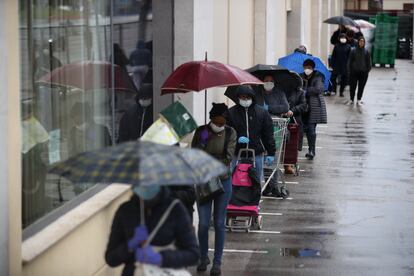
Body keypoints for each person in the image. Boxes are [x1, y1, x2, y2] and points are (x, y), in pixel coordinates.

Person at [105, 186, 200, 276]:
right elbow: (111, 259)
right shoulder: (125, 211)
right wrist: (130, 245)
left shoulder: (175, 209)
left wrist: (160, 258)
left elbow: (193, 254)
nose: (146, 185)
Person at [191, 103, 236, 276]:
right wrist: (203, 142)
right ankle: (203, 257)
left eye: (223, 121)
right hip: (203, 182)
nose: (220, 123)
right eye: (218, 120)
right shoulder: (201, 131)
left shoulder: (230, 133)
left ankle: (217, 262)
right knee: (203, 224)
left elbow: (227, 158)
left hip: (223, 182)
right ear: (212, 118)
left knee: (218, 223)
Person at [227, 86, 276, 182]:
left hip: (256, 152)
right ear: (238, 98)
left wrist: (271, 153)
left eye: (248, 97)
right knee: (236, 180)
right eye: (242, 97)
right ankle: (236, 197)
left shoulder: (262, 113)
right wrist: (236, 139)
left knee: (256, 180)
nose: (245, 100)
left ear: (252, 98)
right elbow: (227, 132)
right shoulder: (231, 113)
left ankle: (256, 197)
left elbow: (268, 134)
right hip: (237, 153)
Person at [300, 59, 327, 160]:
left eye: (309, 68)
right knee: (303, 129)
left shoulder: (318, 76)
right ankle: (304, 149)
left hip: (314, 107)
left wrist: (306, 90)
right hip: (302, 106)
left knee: (311, 129)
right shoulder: (300, 76)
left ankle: (312, 151)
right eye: (306, 67)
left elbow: (319, 89)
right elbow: (297, 87)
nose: (307, 69)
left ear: (313, 68)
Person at [281, 81, 307, 174]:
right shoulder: (281, 91)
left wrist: (293, 110)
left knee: (293, 143)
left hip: (295, 121)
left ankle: (290, 163)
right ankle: (286, 164)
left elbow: (303, 105)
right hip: (282, 120)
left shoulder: (300, 92)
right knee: (283, 143)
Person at [347, 37, 372, 106]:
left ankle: (359, 100)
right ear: (358, 42)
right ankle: (351, 99)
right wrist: (349, 70)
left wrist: (367, 70)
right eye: (360, 41)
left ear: (364, 43)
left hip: (363, 73)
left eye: (363, 42)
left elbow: (369, 62)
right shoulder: (353, 50)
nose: (361, 43)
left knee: (361, 87)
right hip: (354, 72)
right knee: (352, 87)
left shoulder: (366, 51)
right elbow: (349, 61)